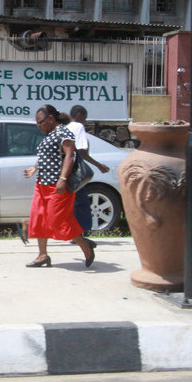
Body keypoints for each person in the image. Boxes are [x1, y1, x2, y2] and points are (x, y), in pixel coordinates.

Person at [22, 104, 96, 268]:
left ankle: (85, 245)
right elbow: (47, 156)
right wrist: (35, 167)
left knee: (59, 221)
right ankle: (42, 256)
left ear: (50, 118)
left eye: (40, 122)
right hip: (42, 184)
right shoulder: (49, 135)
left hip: (57, 186)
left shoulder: (64, 132)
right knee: (39, 219)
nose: (38, 126)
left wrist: (63, 179)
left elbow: (70, 155)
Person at [66, 105, 110, 243]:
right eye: (84, 118)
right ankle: (78, 235)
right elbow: (81, 151)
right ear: (79, 115)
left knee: (65, 205)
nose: (85, 121)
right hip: (74, 173)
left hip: (64, 172)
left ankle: (28, 225)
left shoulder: (65, 127)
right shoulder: (78, 127)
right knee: (82, 204)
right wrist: (99, 165)